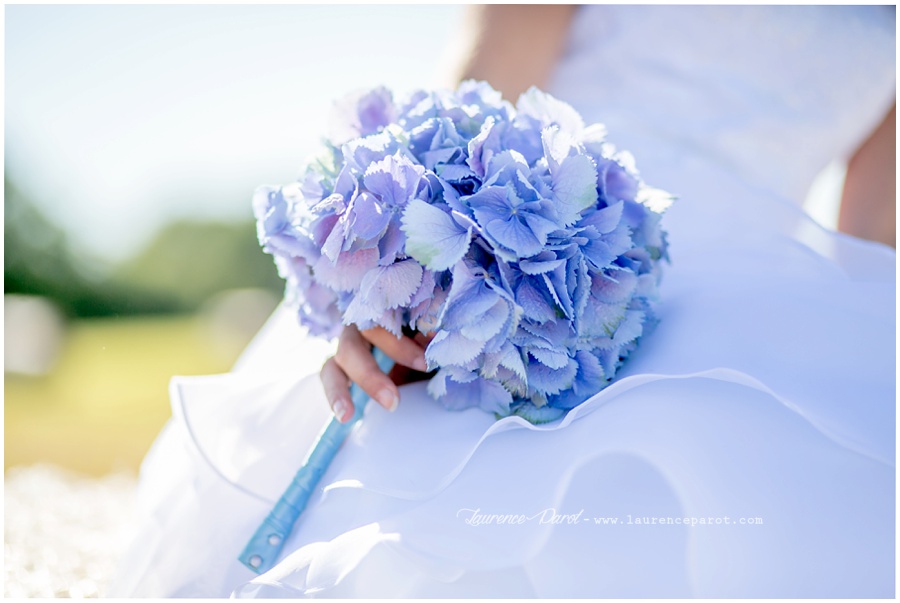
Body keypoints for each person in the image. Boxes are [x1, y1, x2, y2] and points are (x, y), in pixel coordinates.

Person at [111, 5, 895, 598]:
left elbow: (871, 241)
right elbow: (481, 94)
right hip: (516, 247)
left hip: (752, 296)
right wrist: (411, 270)